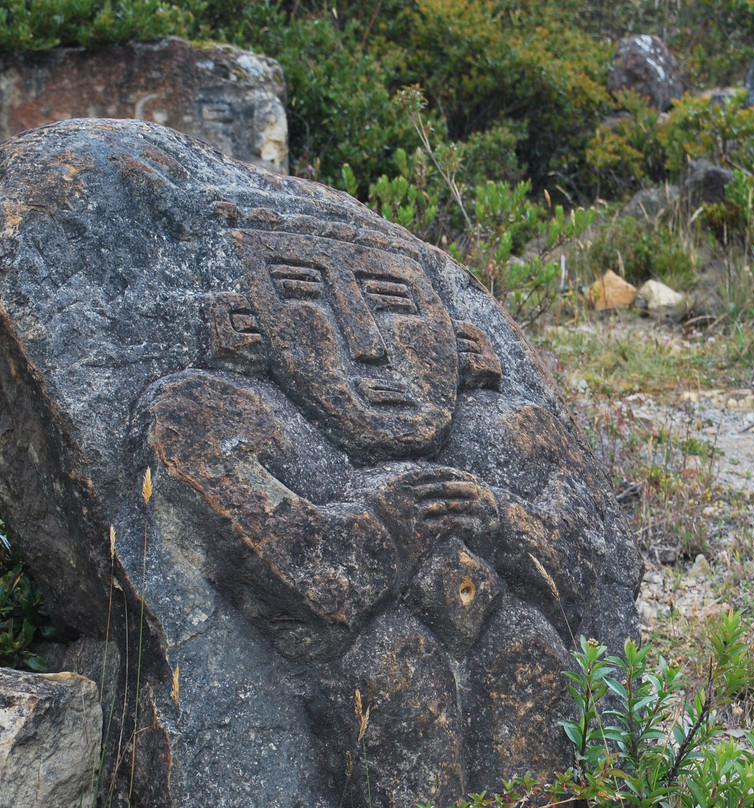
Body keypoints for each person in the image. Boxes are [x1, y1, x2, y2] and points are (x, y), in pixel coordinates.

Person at [139, 203, 613, 806]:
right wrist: (381, 530)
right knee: (395, 661)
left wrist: (504, 522)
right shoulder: (211, 411)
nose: (366, 343)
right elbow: (286, 559)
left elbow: (583, 539)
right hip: (378, 679)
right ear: (245, 324)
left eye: (395, 305)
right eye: (305, 300)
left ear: (460, 338)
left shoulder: (517, 428)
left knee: (528, 648)